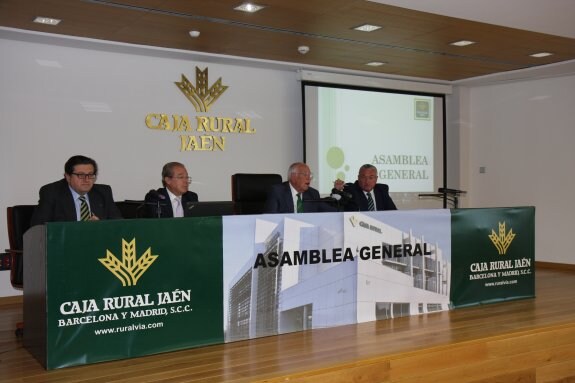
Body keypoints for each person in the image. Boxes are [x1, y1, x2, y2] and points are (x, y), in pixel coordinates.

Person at [30, 155, 122, 225]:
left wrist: (100, 226)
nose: (86, 180)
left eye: (90, 175)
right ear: (68, 177)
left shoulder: (104, 192)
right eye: (81, 175)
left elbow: (120, 225)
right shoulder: (51, 193)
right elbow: (39, 229)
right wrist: (79, 230)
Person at [264, 162, 337, 214]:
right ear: (293, 177)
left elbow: (331, 211)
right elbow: (271, 218)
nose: (309, 178)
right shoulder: (277, 192)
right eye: (305, 175)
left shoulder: (313, 193)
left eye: (310, 175)